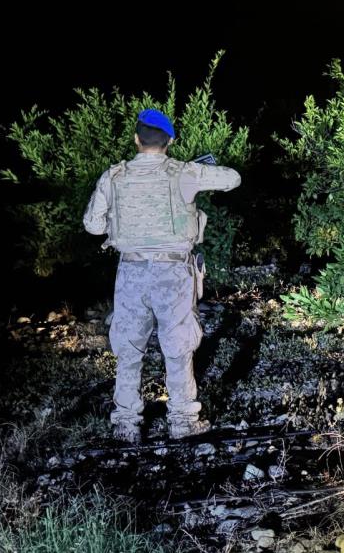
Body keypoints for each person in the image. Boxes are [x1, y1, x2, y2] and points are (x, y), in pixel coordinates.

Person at [83, 109, 240, 442]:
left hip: (131, 271)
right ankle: (182, 421)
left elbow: (93, 226)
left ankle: (126, 424)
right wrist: (197, 172)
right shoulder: (184, 172)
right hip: (174, 271)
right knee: (178, 344)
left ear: (136, 139)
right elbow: (233, 179)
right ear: (170, 141)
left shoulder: (113, 177)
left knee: (127, 347)